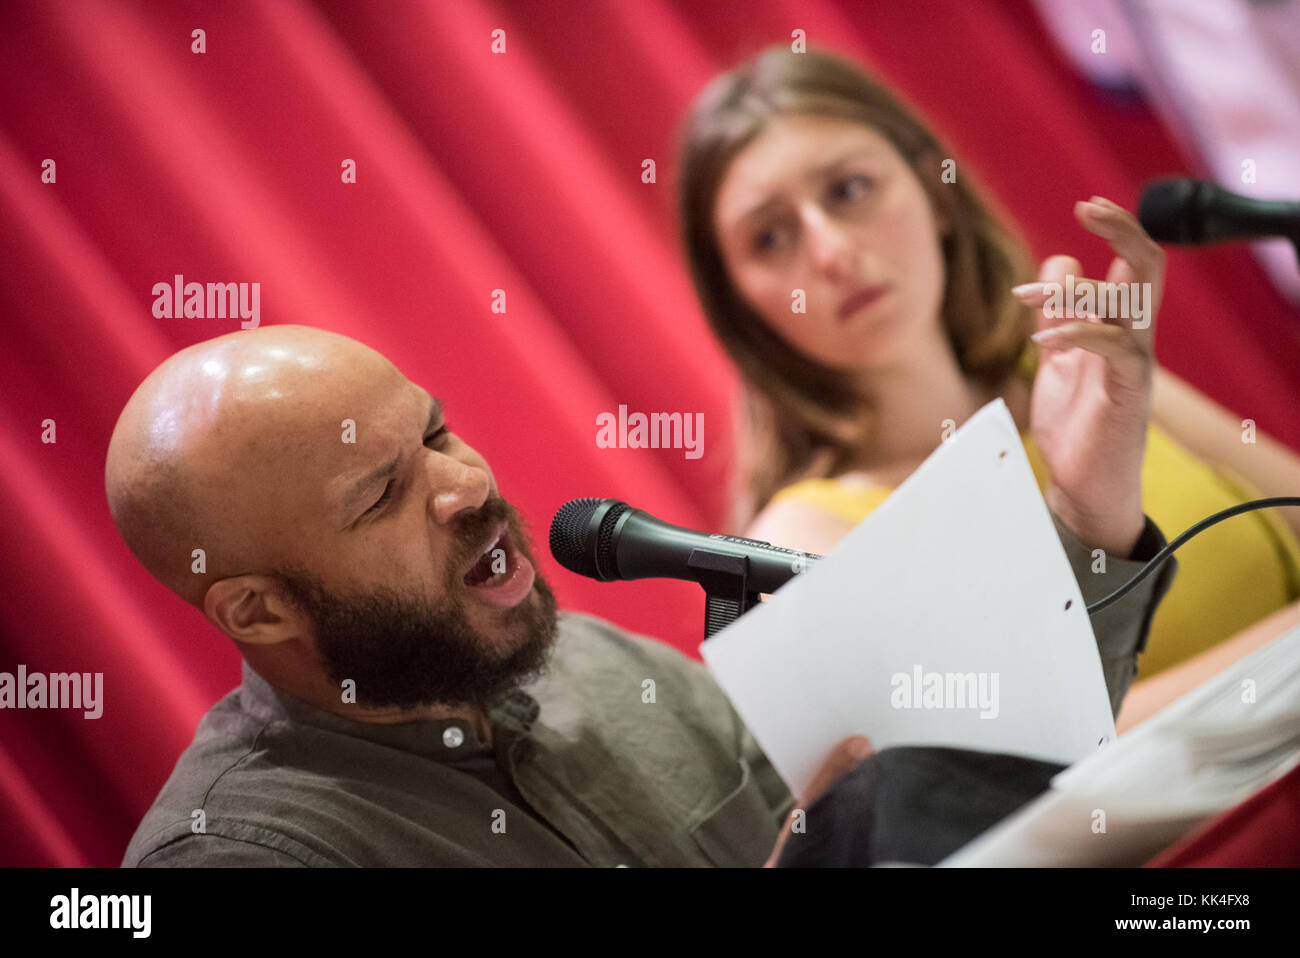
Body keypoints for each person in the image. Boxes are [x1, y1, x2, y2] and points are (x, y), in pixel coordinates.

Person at [112, 324, 1174, 867]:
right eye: (385, 491)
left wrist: (1085, 513)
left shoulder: (599, 666)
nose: (468, 484)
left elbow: (1000, 783)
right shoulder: (238, 853)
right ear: (258, 611)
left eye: (435, 432)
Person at [675, 45, 1300, 683]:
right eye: (771, 238)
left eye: (849, 190)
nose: (831, 253)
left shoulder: (1084, 372)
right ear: (739, 306)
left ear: (935, 194)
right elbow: (1037, 764)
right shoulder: (797, 538)